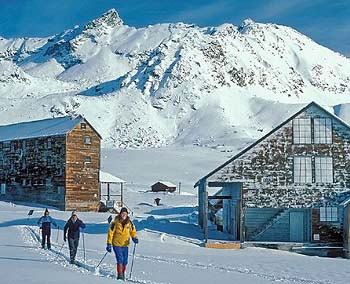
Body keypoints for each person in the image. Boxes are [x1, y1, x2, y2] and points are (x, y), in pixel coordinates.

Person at [106, 207, 138, 280]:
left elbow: (132, 231)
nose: (124, 215)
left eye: (125, 214)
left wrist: (134, 238)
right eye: (123, 213)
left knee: (125, 260)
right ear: (120, 214)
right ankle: (120, 275)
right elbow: (110, 233)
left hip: (125, 244)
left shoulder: (130, 223)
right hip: (116, 244)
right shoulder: (115, 222)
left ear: (127, 214)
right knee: (120, 259)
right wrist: (109, 244)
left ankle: (122, 273)